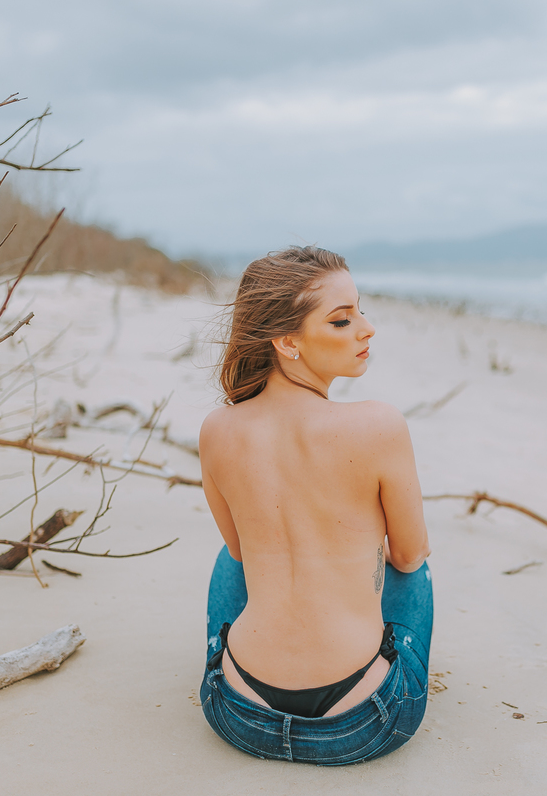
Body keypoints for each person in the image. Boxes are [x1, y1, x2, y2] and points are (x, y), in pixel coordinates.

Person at [198, 246, 433, 765]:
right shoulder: (379, 425)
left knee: (232, 555)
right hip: (361, 722)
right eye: (343, 320)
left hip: (238, 712)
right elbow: (410, 557)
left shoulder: (217, 430)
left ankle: (243, 660)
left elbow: (239, 552)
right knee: (413, 568)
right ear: (286, 342)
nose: (367, 329)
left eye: (361, 311)